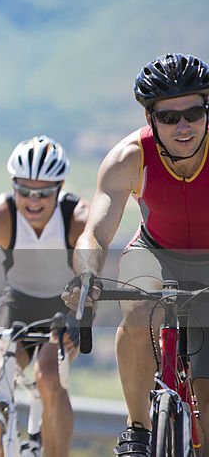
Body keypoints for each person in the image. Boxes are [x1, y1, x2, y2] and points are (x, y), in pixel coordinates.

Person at [63, 53, 209, 456]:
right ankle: (138, 428)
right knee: (138, 307)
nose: (183, 126)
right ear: (150, 119)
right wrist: (87, 277)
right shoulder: (129, 157)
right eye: (168, 117)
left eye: (194, 113)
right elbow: (96, 231)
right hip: (154, 251)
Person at [0, 135, 87, 457]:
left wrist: (79, 320)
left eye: (43, 193)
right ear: (13, 186)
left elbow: (90, 278)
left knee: (49, 378)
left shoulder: (77, 219)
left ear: (60, 186)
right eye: (23, 190)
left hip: (63, 309)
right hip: (17, 304)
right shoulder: (0, 215)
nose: (32, 201)